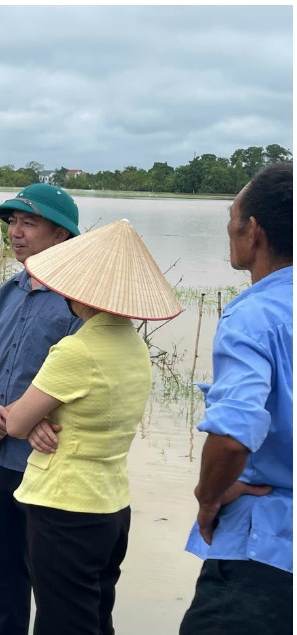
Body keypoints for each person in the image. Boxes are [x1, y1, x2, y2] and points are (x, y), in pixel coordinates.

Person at [5, 219, 182, 635]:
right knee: (95, 616)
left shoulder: (77, 349)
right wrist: (39, 421)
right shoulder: (133, 345)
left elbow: (14, 422)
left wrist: (30, 422)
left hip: (66, 507)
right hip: (112, 506)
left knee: (62, 622)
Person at [180, 162, 292, 634]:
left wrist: (209, 499)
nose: (229, 227)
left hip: (264, 552)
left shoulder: (255, 316)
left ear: (253, 231)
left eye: (232, 216)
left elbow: (231, 437)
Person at [0, 182, 82, 635]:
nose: (16, 232)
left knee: (53, 588)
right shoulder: (9, 290)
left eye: (29, 223)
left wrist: (37, 417)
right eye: (13, 222)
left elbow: (85, 379)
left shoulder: (81, 303)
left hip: (46, 465)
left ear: (61, 235)